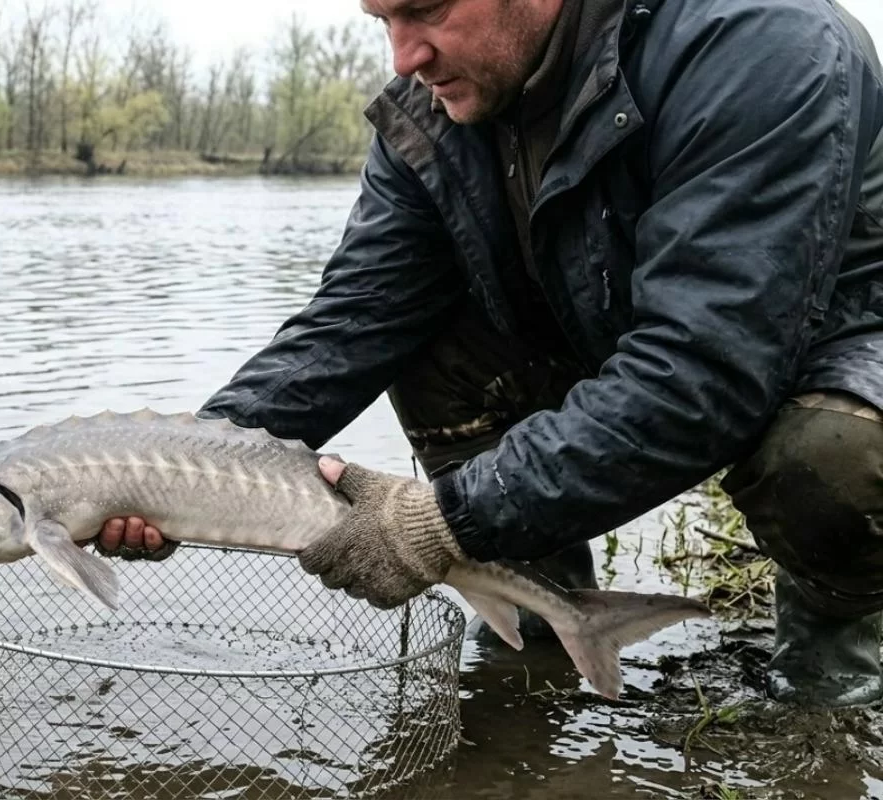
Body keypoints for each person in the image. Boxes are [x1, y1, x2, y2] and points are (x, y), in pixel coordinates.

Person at [96, 0, 883, 709]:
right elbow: (353, 321)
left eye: (426, 10)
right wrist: (180, 466)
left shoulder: (764, 43)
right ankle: (544, 613)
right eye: (383, 21)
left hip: (828, 342)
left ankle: (831, 664)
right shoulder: (434, 110)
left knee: (832, 451)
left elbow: (702, 369)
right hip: (625, 332)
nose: (404, 56)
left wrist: (444, 521)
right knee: (430, 343)